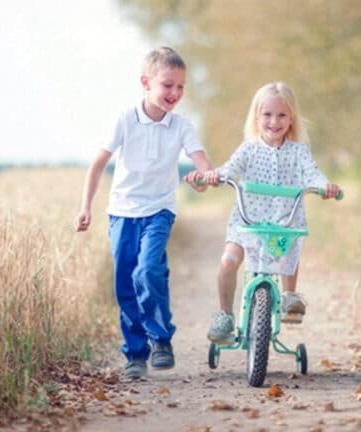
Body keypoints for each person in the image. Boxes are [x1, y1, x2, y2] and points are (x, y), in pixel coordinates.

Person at [76, 47, 213, 378]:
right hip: (122, 212)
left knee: (147, 270)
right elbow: (98, 165)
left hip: (159, 210)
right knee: (125, 282)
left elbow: (202, 164)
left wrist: (204, 177)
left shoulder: (181, 126)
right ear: (145, 82)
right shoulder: (125, 118)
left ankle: (161, 338)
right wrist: (86, 207)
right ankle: (136, 354)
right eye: (168, 85)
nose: (175, 94)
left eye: (181, 87)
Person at [184, 82, 340, 345]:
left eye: (281, 115)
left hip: (283, 223)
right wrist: (208, 178)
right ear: (257, 117)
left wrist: (324, 186)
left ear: (291, 118)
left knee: (290, 250)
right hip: (246, 224)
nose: (274, 121)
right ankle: (224, 315)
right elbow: (227, 172)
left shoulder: (298, 151)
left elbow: (312, 173)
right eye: (267, 115)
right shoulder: (249, 149)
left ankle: (289, 295)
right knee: (228, 262)